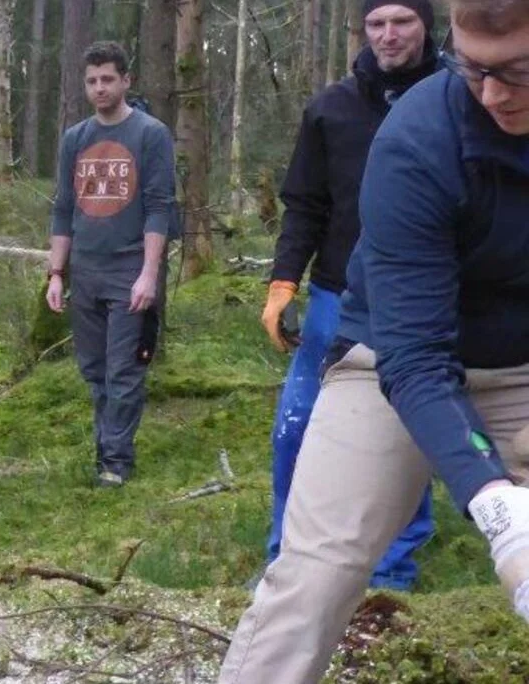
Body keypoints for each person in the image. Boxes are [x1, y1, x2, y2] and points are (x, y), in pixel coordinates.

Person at [219, 0, 529, 680]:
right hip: (389, 358)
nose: (494, 94)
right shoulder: (418, 137)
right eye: (472, 68)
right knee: (315, 573)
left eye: (518, 71)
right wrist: (497, 506)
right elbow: (416, 359)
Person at [258, 0, 439, 590]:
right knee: (297, 427)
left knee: (405, 434)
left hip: (425, 297)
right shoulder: (330, 109)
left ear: (426, 24)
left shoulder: (455, 100)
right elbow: (305, 206)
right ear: (362, 30)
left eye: (403, 21)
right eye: (377, 23)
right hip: (336, 296)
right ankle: (288, 556)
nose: (389, 36)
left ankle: (389, 570)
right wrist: (284, 282)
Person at [46, 40, 176, 488]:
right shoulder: (75, 139)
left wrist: (149, 273)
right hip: (86, 271)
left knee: (124, 370)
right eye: (92, 81)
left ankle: (116, 462)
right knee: (95, 371)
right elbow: (64, 209)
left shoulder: (150, 134)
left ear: (126, 80)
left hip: (130, 271)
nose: (99, 88)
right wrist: (56, 273)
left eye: (107, 79)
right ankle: (105, 449)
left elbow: (160, 207)